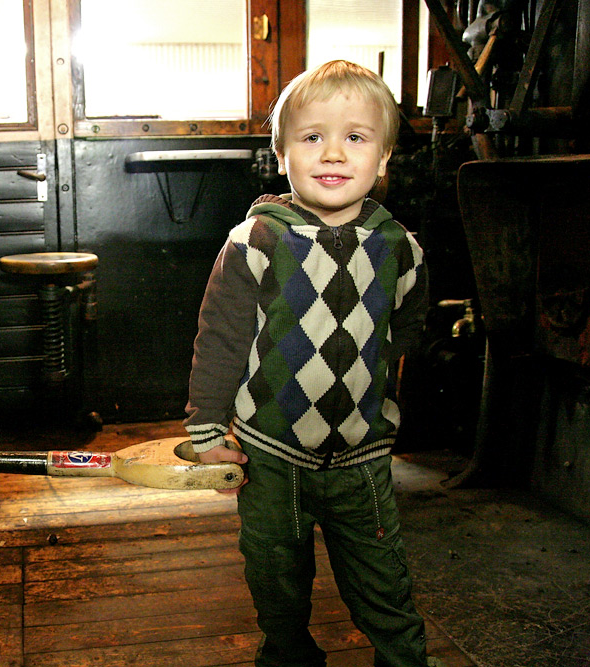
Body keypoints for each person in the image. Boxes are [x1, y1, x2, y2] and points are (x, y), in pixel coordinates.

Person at [184, 60, 433, 667]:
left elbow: (409, 331)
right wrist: (206, 428)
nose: (333, 153)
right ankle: (289, 655)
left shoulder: (400, 247)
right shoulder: (255, 241)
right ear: (281, 155)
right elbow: (218, 339)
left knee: (383, 586)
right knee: (276, 582)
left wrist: (380, 395)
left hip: (361, 457)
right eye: (312, 137)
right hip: (270, 455)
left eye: (356, 137)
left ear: (384, 158)